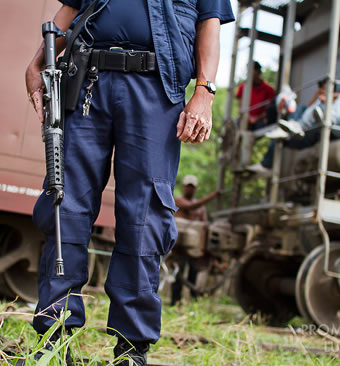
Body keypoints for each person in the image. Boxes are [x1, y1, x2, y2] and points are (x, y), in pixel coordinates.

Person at [25, 0, 234, 364]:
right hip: (87, 81)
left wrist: (205, 90)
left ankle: (131, 347)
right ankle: (55, 339)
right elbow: (70, 10)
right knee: (64, 204)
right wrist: (39, 59)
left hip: (156, 88)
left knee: (146, 216)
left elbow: (209, 23)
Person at [247, 90, 340, 176]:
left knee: (285, 132)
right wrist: (319, 96)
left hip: (319, 131)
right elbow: (309, 109)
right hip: (309, 129)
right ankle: (293, 126)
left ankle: (295, 127)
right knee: (301, 108)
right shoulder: (323, 101)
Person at [170, 175, 219, 305]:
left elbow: (204, 225)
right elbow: (191, 207)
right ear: (184, 187)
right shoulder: (178, 200)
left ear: (195, 189)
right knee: (178, 274)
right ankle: (175, 301)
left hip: (195, 248)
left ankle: (193, 302)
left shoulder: (201, 209)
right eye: (188, 186)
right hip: (180, 246)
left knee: (193, 274)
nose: (189, 189)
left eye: (192, 187)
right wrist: (211, 196)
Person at [235, 61, 275, 130]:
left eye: (251, 71)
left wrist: (256, 118)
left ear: (258, 71)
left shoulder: (269, 89)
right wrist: (246, 117)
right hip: (246, 119)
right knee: (237, 125)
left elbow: (269, 110)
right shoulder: (243, 87)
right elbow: (240, 106)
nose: (248, 73)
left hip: (260, 121)